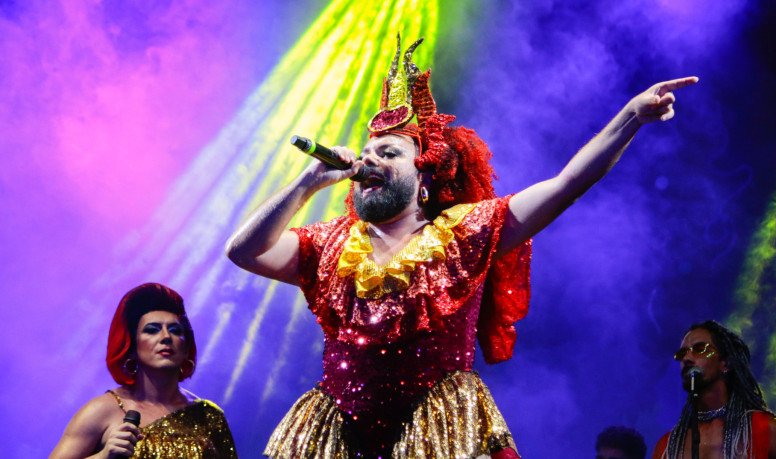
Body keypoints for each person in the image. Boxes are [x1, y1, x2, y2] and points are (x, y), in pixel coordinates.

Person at [225, 34, 697, 458]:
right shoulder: (330, 244)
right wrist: (309, 182)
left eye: (388, 153)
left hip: (442, 434)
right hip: (340, 437)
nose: (367, 162)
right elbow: (243, 252)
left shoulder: (466, 231)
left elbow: (568, 183)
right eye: (365, 155)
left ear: (425, 178)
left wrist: (631, 116)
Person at [50, 283, 238, 459]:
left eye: (174, 330)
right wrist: (103, 456)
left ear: (186, 348)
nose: (166, 337)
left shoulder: (209, 416)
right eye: (152, 330)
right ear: (131, 346)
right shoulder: (102, 410)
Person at [651, 320, 776, 459]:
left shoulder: (765, 429)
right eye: (682, 354)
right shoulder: (667, 447)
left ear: (726, 364)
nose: (687, 358)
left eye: (700, 349)